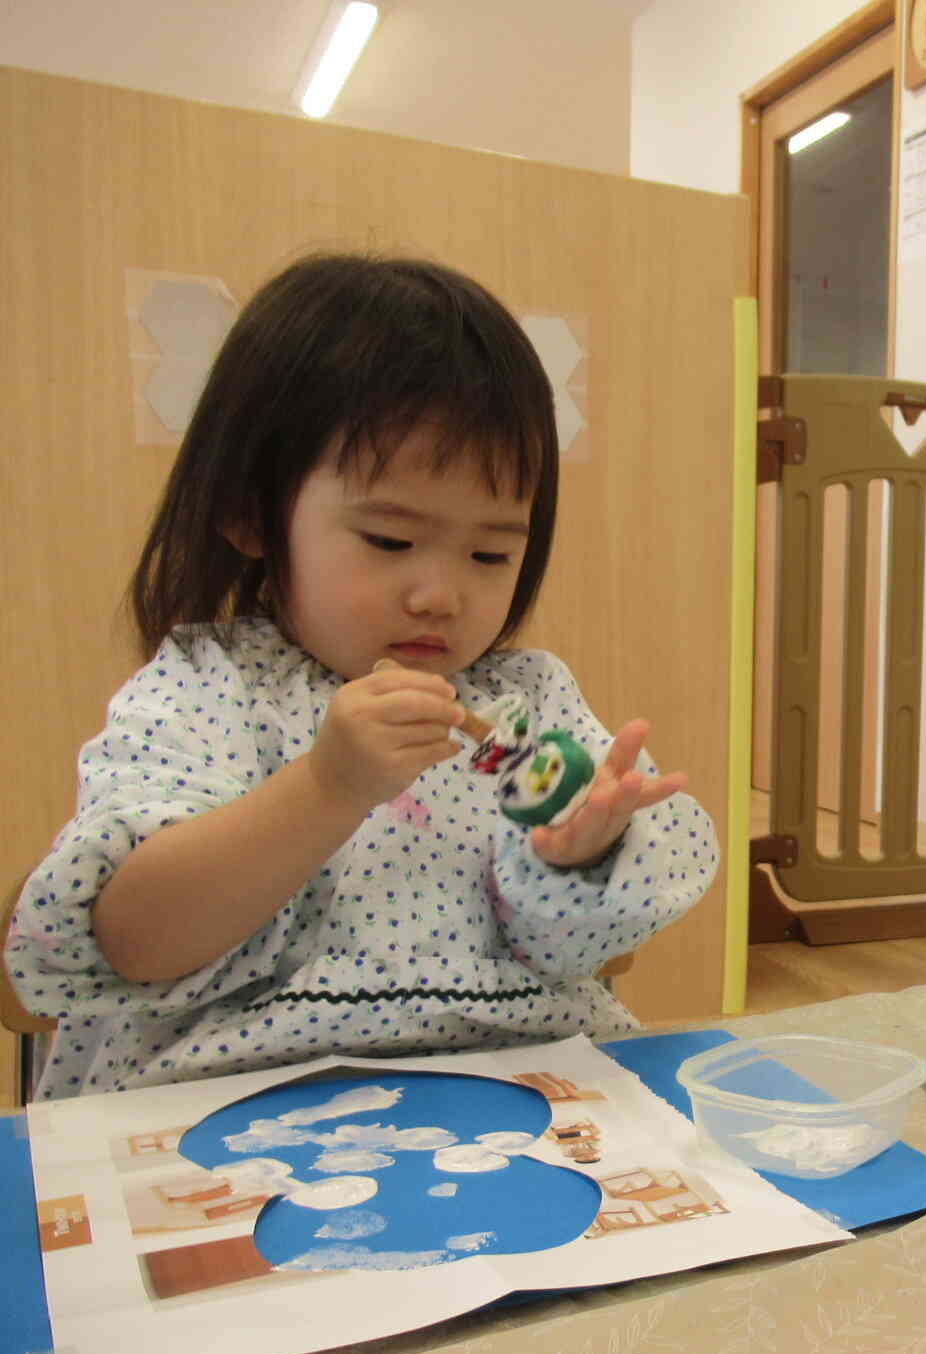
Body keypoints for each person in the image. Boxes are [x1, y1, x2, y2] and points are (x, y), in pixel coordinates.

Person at [6, 254, 717, 1099]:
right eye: (389, 541)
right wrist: (327, 787)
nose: (440, 595)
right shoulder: (210, 686)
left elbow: (578, 957)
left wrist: (581, 859)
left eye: (492, 552)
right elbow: (134, 941)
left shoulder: (522, 700)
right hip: (227, 1090)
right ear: (249, 509)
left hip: (507, 1078)